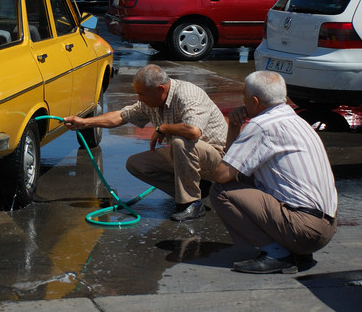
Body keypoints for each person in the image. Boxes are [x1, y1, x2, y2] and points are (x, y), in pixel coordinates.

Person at [211, 71, 337, 274]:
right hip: (326, 226)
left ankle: (278, 255)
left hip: (305, 229)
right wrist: (235, 127)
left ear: (254, 101)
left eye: (244, 98)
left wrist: (234, 126)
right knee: (247, 177)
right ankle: (295, 252)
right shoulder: (296, 120)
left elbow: (222, 174)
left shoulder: (262, 125)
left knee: (220, 191)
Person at [64, 64, 227, 221]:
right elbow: (121, 116)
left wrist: (163, 128)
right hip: (191, 158)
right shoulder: (151, 102)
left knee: (180, 142)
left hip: (218, 162)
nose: (139, 98)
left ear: (160, 89)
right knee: (137, 164)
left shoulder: (188, 94)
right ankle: (198, 187)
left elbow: (193, 131)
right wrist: (85, 123)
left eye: (142, 94)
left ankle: (192, 204)